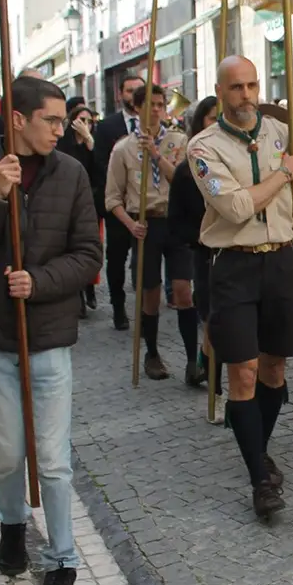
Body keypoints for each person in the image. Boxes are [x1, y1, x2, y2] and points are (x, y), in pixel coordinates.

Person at [0, 76, 102, 585]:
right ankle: (12, 525)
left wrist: (38, 282)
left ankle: (62, 561)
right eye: (51, 120)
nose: (63, 129)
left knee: (54, 460)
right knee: (10, 453)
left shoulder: (73, 173)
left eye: (63, 120)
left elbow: (87, 254)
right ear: (17, 119)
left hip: (49, 337)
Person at [187, 56, 293, 519]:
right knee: (241, 372)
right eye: (237, 87)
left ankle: (257, 447)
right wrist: (285, 173)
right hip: (233, 266)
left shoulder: (282, 134)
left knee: (274, 369)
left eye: (253, 85)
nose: (247, 95)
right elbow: (238, 207)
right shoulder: (204, 148)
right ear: (220, 92)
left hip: (280, 261)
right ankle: (259, 480)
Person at [104, 84, 195, 382]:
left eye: (160, 104)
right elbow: (112, 198)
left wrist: (156, 154)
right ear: (137, 108)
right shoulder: (123, 149)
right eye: (151, 105)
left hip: (175, 221)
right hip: (146, 224)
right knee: (150, 293)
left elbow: (181, 181)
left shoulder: (179, 141)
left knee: (183, 290)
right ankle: (152, 353)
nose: (156, 110)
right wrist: (130, 224)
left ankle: (193, 359)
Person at [169, 96, 224, 404]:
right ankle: (212, 378)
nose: (216, 124)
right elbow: (176, 224)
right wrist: (202, 236)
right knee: (213, 319)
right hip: (206, 256)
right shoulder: (186, 173)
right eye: (210, 118)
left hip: (242, 255)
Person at [93, 74, 147, 330]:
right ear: (120, 95)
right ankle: (118, 306)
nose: (134, 94)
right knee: (116, 259)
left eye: (139, 90)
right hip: (119, 207)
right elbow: (100, 164)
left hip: (146, 206)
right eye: (129, 90)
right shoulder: (106, 127)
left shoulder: (152, 123)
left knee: (146, 258)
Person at [57, 104, 103, 316]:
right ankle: (78, 296)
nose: (86, 125)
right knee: (71, 248)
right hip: (67, 202)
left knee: (89, 247)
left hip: (90, 204)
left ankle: (90, 288)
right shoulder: (63, 143)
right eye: (81, 120)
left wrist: (90, 142)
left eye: (89, 121)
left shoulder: (92, 143)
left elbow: (100, 171)